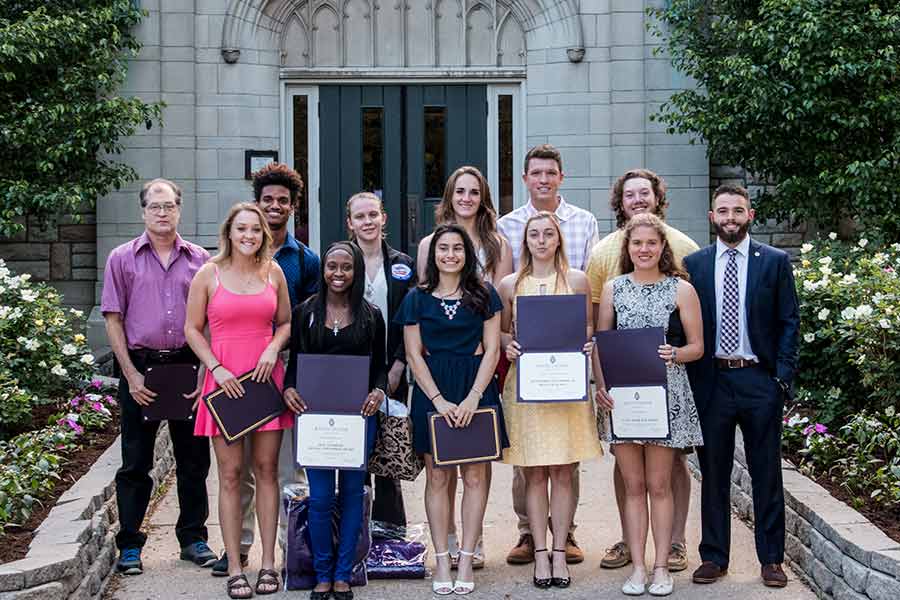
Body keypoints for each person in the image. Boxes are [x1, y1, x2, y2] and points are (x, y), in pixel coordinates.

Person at [683, 185, 799, 589]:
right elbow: (681, 326)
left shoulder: (774, 262)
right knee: (713, 472)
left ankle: (771, 559)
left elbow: (789, 322)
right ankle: (714, 556)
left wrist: (781, 379)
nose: (730, 217)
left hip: (758, 379)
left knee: (766, 472)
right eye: (723, 211)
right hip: (711, 379)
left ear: (750, 215)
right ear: (712, 216)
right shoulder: (693, 265)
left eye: (738, 210)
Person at [586, 169, 700, 573]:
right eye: (630, 194)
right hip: (626, 386)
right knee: (629, 469)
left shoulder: (685, 247)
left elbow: (695, 334)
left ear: (657, 199)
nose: (637, 199)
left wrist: (679, 355)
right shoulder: (604, 256)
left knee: (670, 469)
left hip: (667, 384)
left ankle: (674, 543)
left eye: (644, 193)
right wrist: (601, 380)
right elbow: (601, 328)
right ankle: (631, 543)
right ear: (621, 201)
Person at [102, 178, 216, 575]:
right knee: (135, 462)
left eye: (169, 206)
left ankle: (193, 538)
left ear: (179, 210)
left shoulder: (200, 259)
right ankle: (130, 545)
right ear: (143, 211)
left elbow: (209, 322)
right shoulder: (122, 258)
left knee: (193, 461)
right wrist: (130, 375)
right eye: (155, 206)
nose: (162, 213)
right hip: (141, 368)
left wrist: (204, 373)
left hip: (187, 366)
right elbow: (113, 319)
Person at [212, 163, 321, 576]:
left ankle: (285, 548)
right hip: (235, 367)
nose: (274, 207)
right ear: (256, 205)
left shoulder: (304, 260)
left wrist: (294, 368)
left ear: (293, 207)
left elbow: (305, 320)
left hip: (282, 367)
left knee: (280, 466)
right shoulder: (222, 263)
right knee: (234, 471)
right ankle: (237, 547)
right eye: (268, 200)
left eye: (283, 201)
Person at [497, 144, 600, 565]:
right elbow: (500, 330)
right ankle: (533, 541)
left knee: (564, 467)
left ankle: (564, 540)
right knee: (530, 468)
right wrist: (507, 343)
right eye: (534, 234)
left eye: (548, 233)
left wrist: (588, 344)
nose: (541, 239)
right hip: (525, 382)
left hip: (566, 380)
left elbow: (588, 323)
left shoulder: (577, 277)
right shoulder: (508, 283)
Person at [185, 202, 293, 599]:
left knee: (267, 472)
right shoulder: (208, 274)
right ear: (229, 233)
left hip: (264, 382)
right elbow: (192, 329)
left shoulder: (274, 272)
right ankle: (234, 565)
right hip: (226, 383)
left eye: (255, 230)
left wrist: (272, 349)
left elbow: (285, 323)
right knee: (230, 476)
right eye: (241, 229)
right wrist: (215, 368)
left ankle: (268, 564)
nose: (248, 236)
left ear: (264, 234)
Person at [397, 224, 508, 595]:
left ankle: (465, 558)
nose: (449, 255)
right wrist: (440, 401)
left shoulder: (485, 294)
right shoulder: (416, 298)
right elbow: (413, 354)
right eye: (442, 248)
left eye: (457, 248)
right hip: (434, 392)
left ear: (466, 254)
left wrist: (475, 396)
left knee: (475, 477)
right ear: (433, 255)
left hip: (476, 388)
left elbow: (492, 349)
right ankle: (441, 557)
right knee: (439, 478)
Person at [415, 166, 512, 567]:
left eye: (474, 191)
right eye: (460, 191)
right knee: (441, 461)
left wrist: (484, 345)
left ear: (483, 197)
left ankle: (474, 538)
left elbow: (499, 301)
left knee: (475, 453)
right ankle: (448, 537)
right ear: (449, 196)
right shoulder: (429, 244)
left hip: (482, 357)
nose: (467, 198)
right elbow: (427, 299)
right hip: (441, 362)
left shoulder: (497, 243)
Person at [283, 241, 387, 600]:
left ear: (356, 272)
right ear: (323, 270)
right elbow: (294, 363)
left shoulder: (371, 315)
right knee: (322, 498)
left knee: (353, 496)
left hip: (358, 419)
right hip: (315, 419)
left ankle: (344, 574)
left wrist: (378, 392)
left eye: (346, 267)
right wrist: (288, 389)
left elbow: (380, 369)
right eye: (332, 267)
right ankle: (322, 574)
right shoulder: (304, 313)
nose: (338, 274)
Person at [345, 191, 416, 525]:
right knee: (355, 453)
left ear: (383, 218)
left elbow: (411, 319)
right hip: (352, 371)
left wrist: (400, 363)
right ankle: (355, 532)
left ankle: (390, 533)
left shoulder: (403, 264)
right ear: (350, 223)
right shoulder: (341, 262)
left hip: (392, 372)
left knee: (389, 449)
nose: (367, 222)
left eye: (373, 215)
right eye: (360, 216)